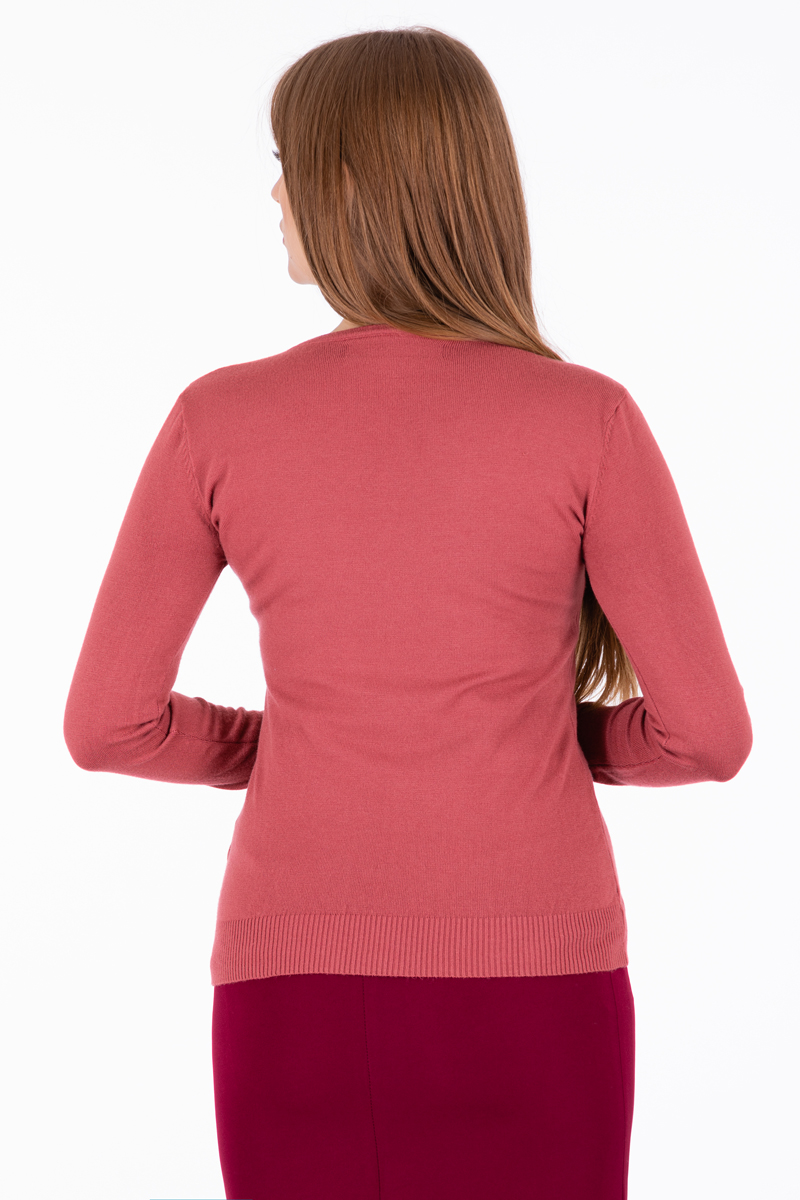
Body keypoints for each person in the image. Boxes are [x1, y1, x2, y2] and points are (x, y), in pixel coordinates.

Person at [62, 25, 752, 1200]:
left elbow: (105, 725)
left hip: (291, 985)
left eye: (285, 163)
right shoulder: (585, 418)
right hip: (538, 982)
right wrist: (527, 738)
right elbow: (708, 737)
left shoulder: (218, 420)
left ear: (345, 182)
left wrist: (303, 743)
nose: (273, 195)